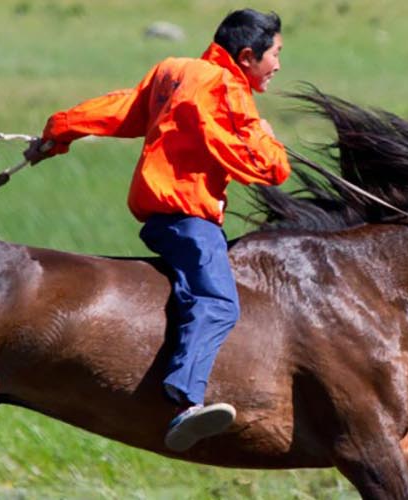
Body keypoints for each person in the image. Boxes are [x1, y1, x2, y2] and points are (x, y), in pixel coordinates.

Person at [21, 8, 290, 452]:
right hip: (187, 216)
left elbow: (122, 109)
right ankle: (184, 401)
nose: (277, 65)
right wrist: (268, 136)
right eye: (275, 55)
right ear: (246, 56)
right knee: (218, 301)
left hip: (162, 215)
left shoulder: (175, 70)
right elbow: (266, 168)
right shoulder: (226, 89)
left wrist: (61, 130)